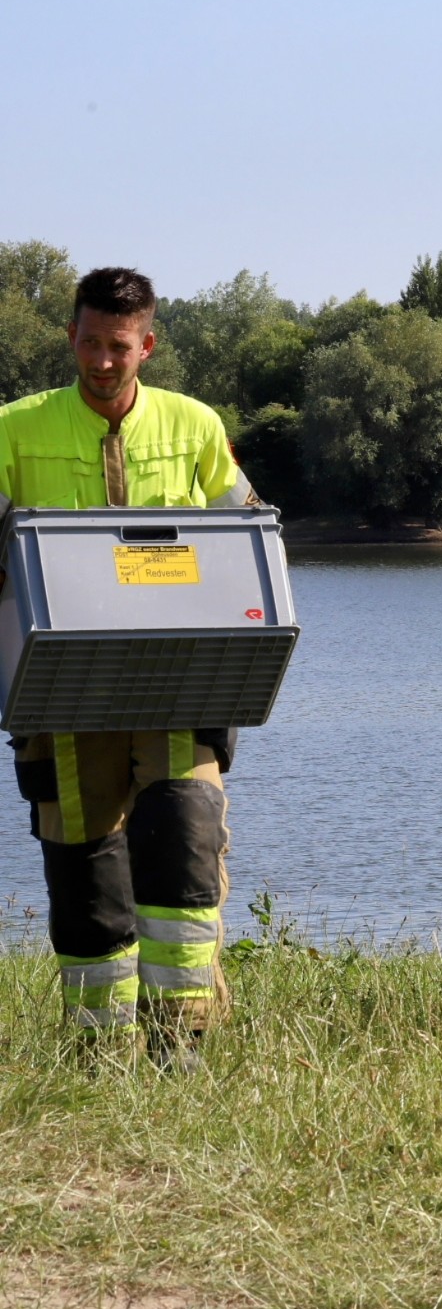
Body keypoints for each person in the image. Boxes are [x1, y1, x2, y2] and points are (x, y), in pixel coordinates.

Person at [0, 268, 258, 1069]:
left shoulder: (195, 424)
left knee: (183, 835)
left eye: (118, 346)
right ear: (70, 338)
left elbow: (248, 530)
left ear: (147, 343)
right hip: (60, 692)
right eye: (88, 343)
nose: (102, 361)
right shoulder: (13, 428)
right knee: (83, 863)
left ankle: (181, 1040)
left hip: (181, 682)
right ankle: (99, 1048)